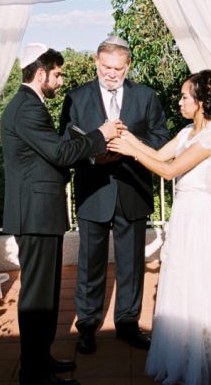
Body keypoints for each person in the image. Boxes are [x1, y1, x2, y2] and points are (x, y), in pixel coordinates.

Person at [107, 69, 211, 385]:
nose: (180, 102)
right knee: (182, 279)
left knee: (201, 280)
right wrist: (129, 138)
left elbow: (169, 170)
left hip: (200, 215)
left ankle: (207, 355)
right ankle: (187, 353)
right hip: (184, 213)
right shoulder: (187, 132)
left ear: (201, 102)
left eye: (185, 97)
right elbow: (159, 154)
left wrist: (132, 152)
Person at [1, 43, 122, 385]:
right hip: (35, 214)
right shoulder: (27, 108)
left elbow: (47, 155)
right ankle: (34, 373)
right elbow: (58, 153)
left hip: (40, 213)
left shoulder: (29, 105)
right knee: (37, 300)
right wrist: (101, 135)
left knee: (45, 295)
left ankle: (41, 359)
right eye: (57, 74)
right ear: (40, 74)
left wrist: (86, 149)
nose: (60, 80)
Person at [59, 36, 170, 354]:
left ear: (128, 66)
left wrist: (130, 144)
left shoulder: (146, 96)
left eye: (118, 69)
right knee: (89, 264)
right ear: (96, 61)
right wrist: (94, 155)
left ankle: (128, 324)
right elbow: (65, 143)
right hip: (93, 191)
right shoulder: (76, 98)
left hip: (133, 190)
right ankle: (87, 326)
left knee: (131, 264)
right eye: (106, 67)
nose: (111, 73)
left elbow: (161, 137)